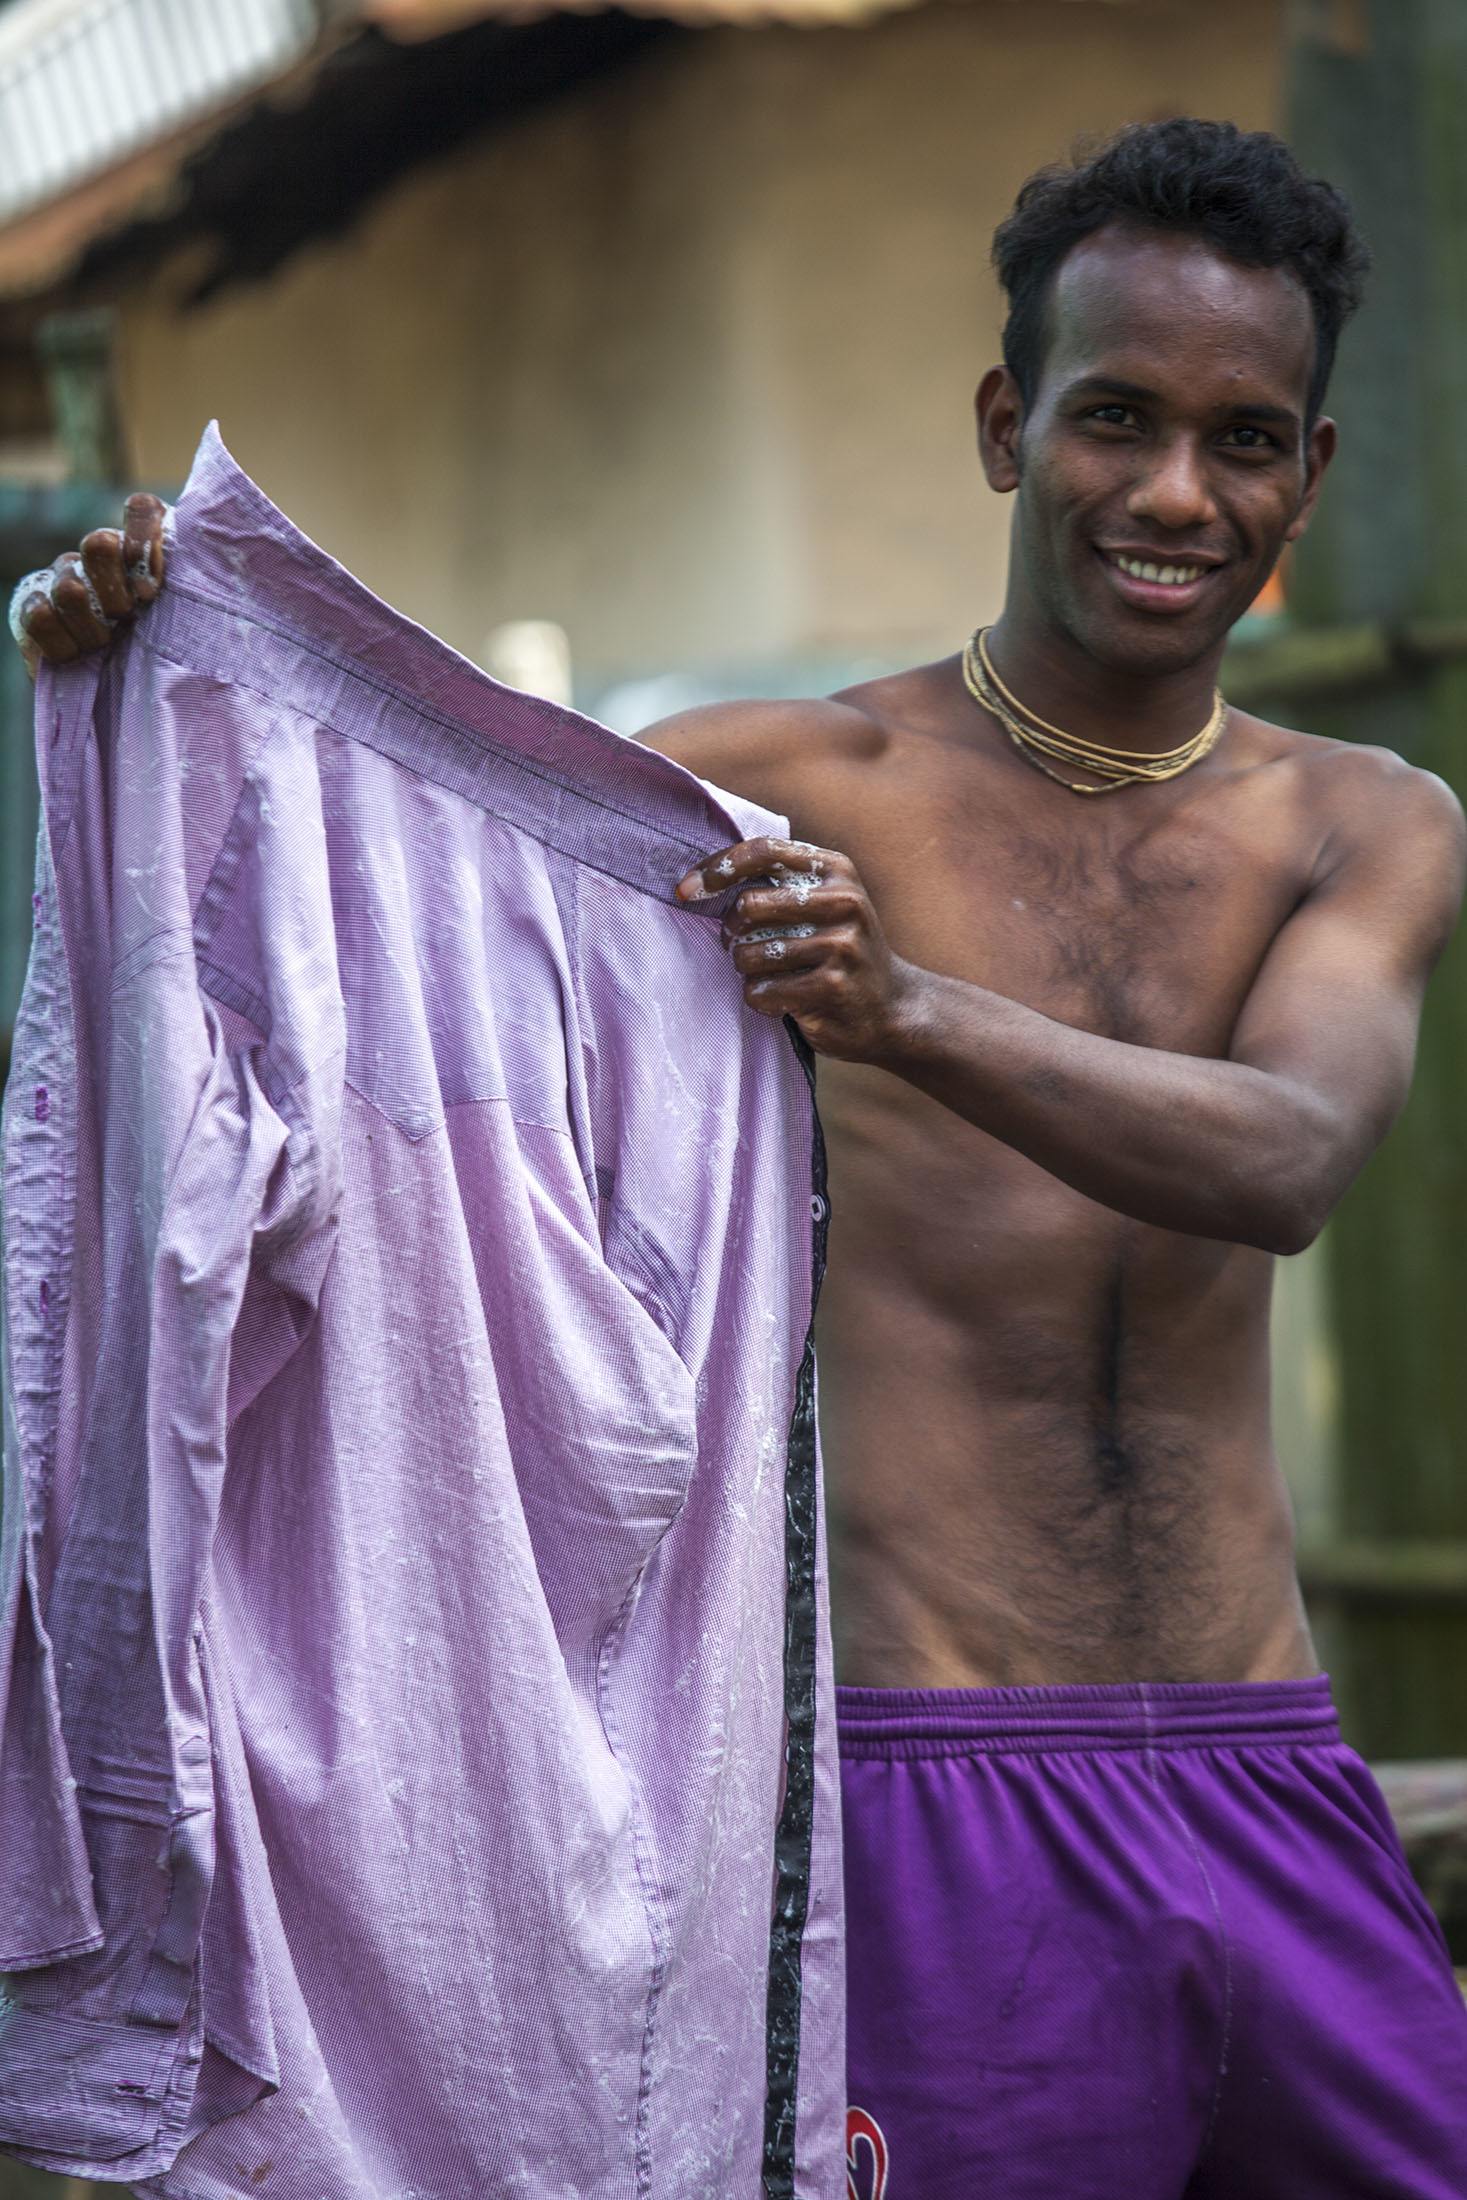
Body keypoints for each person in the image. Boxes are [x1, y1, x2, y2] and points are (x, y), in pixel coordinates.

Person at [16, 116, 1467, 2200]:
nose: (1173, 493)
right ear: (1003, 426)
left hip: (1265, 1762)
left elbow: (1288, 1152)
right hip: (907, 1778)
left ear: (1306, 479)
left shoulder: (1363, 817)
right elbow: (371, 885)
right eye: (1112, 418)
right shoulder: (760, 791)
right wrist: (162, 669)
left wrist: (904, 1012)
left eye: (1242, 439)